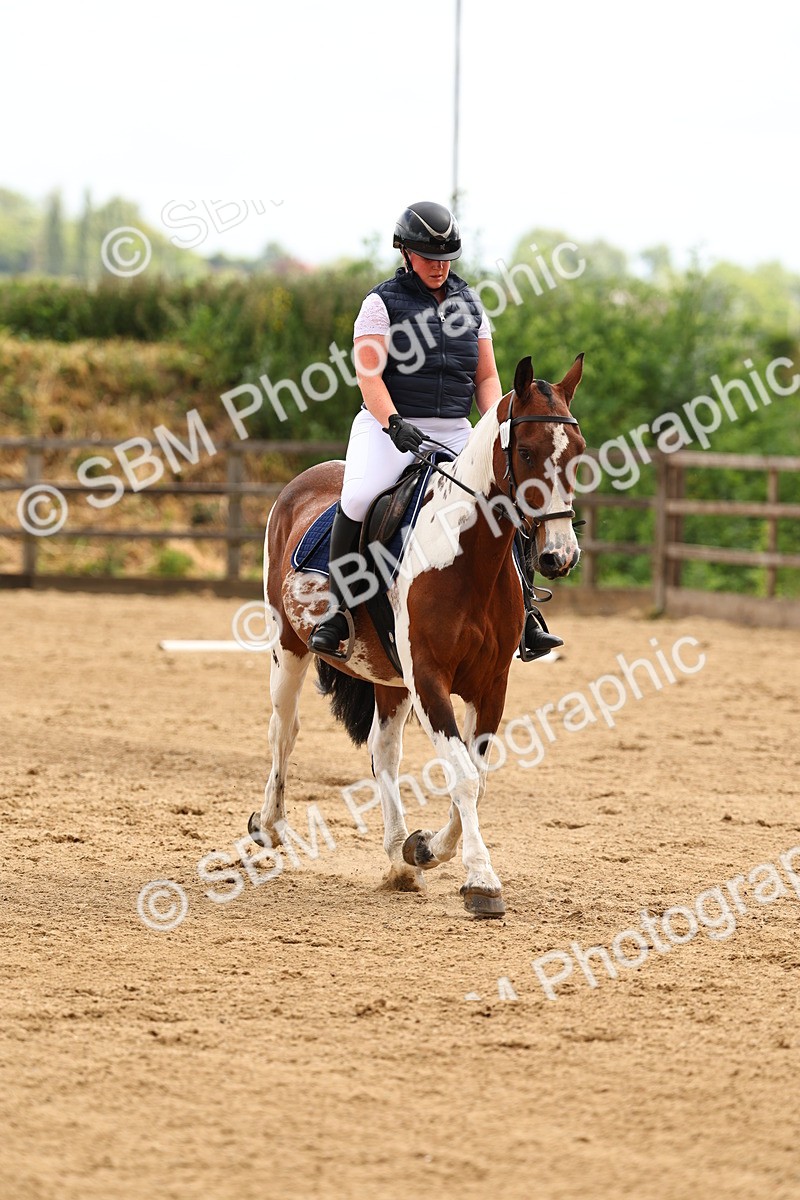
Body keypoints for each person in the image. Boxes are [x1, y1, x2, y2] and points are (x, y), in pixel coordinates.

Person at [307, 200, 562, 662]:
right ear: (406, 253)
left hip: (456, 428)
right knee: (360, 497)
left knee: (505, 499)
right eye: (430, 258)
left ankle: (525, 612)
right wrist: (393, 424)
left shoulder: (472, 305)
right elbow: (370, 377)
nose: (440, 267)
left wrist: (493, 428)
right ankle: (339, 612)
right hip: (389, 424)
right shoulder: (380, 304)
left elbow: (486, 378)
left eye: (447, 260)